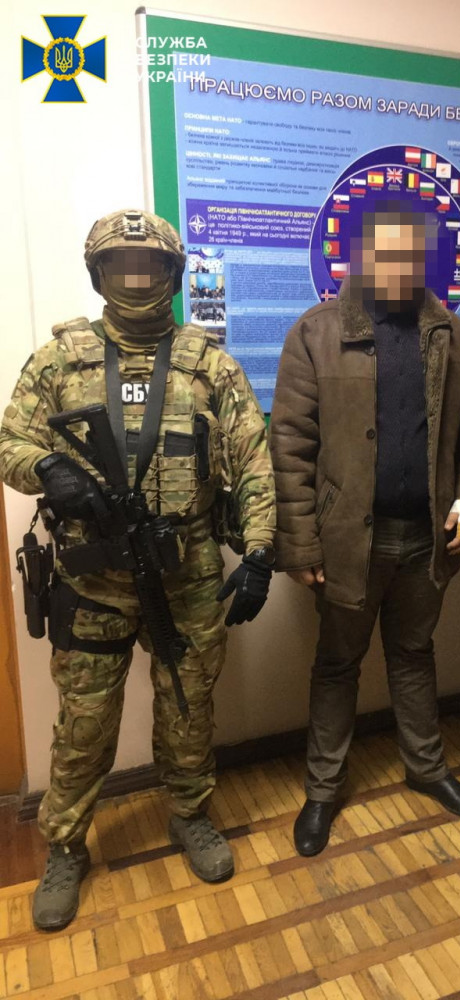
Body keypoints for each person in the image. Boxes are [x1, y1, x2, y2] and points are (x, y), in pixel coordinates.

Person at [0, 209, 276, 930]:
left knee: (189, 707)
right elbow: (9, 442)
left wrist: (259, 551)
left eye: (149, 265)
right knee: (85, 722)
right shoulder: (59, 362)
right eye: (121, 265)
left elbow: (253, 459)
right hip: (90, 579)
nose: (136, 278)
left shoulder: (209, 366)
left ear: (172, 276)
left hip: (186, 571)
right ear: (99, 274)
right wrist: (48, 467)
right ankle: (66, 845)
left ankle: (189, 812)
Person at [270, 203, 460, 856]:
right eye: (385, 255)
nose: (398, 267)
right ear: (360, 256)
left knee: (415, 653)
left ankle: (427, 769)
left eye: (410, 256)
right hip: (348, 541)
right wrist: (300, 544)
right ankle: (322, 791)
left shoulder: (450, 334)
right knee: (337, 663)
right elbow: (289, 446)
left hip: (427, 538)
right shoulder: (314, 333)